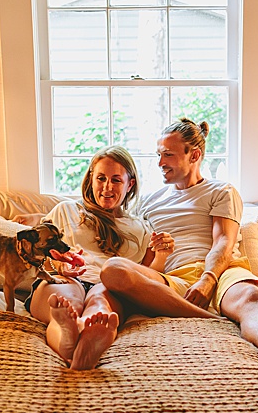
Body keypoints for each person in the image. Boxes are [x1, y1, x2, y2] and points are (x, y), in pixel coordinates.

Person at [94, 118, 258, 367]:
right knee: (113, 270)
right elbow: (140, 252)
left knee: (250, 296)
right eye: (159, 155)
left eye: (168, 155)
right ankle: (210, 318)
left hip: (220, 273)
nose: (160, 163)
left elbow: (224, 241)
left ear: (194, 155)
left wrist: (208, 280)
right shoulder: (148, 202)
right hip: (172, 279)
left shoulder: (220, 191)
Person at [27, 146, 181, 370]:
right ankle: (71, 337)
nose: (107, 187)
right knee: (65, 303)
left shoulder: (141, 228)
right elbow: (34, 254)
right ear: (90, 179)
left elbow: (147, 278)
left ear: (130, 184)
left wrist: (162, 255)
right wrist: (58, 264)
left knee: (100, 301)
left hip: (107, 285)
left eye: (116, 180)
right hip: (64, 279)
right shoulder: (66, 210)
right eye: (101, 178)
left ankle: (80, 337)